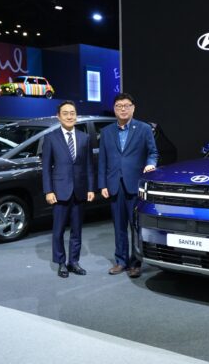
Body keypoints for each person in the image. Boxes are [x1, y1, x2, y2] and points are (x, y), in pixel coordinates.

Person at [98, 93, 157, 278]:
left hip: (135, 184)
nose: (122, 109)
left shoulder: (144, 128)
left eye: (126, 105)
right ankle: (121, 261)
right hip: (114, 184)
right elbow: (102, 160)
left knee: (136, 226)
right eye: (119, 106)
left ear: (133, 108)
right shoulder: (106, 132)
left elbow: (153, 152)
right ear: (114, 109)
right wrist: (102, 184)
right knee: (119, 226)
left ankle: (135, 263)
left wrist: (151, 164)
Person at [42, 100, 95, 278]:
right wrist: (48, 191)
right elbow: (46, 168)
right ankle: (61, 263)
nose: (69, 116)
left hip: (79, 191)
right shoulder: (50, 138)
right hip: (59, 191)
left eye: (72, 113)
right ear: (58, 116)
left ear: (76, 115)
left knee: (77, 230)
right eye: (65, 113)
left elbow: (89, 165)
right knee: (58, 231)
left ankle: (74, 262)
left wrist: (90, 188)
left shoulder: (84, 138)